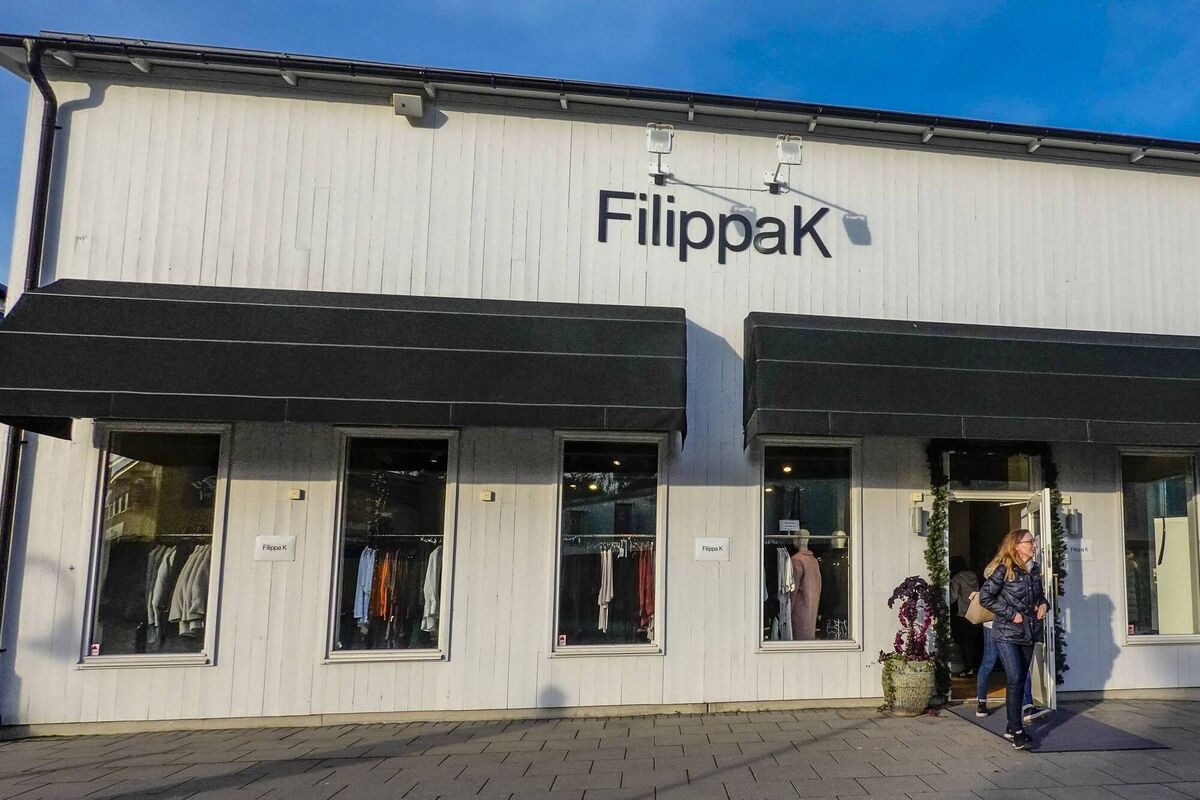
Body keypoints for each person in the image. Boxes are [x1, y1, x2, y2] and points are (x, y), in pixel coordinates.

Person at [979, 528, 1049, 751]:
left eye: (1033, 542)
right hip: (1006, 633)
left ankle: (1012, 726)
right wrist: (1010, 614)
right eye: (1029, 542)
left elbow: (1038, 595)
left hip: (1028, 633)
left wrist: (1043, 604)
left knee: (1019, 680)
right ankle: (1017, 731)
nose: (1034, 545)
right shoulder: (1004, 569)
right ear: (1017, 546)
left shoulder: (1034, 569)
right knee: (1016, 678)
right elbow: (985, 597)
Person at [948, 556, 980, 676]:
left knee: (963, 642)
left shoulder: (957, 578)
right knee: (973, 642)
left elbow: (953, 597)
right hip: (975, 612)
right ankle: (973, 667)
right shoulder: (973, 576)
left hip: (963, 614)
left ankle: (968, 667)